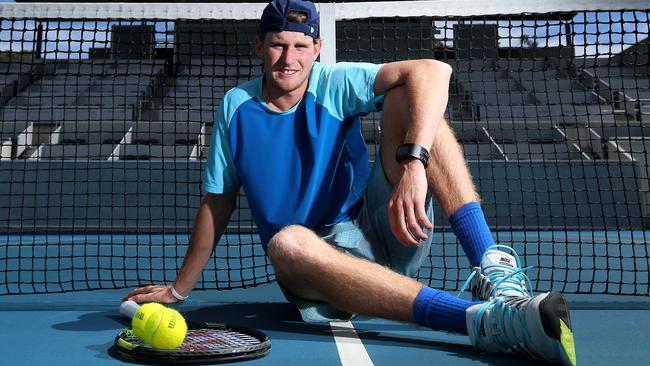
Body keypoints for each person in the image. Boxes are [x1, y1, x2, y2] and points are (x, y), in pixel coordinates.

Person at [124, 0, 576, 364]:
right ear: (258, 46)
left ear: (317, 49)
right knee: (287, 244)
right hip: (316, 266)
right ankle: (486, 322)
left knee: (417, 103)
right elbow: (216, 204)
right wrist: (179, 290)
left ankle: (495, 272)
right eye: (279, 45)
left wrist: (413, 165)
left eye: (301, 46)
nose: (289, 59)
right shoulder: (235, 108)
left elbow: (436, 72)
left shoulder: (332, 83)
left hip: (386, 227)